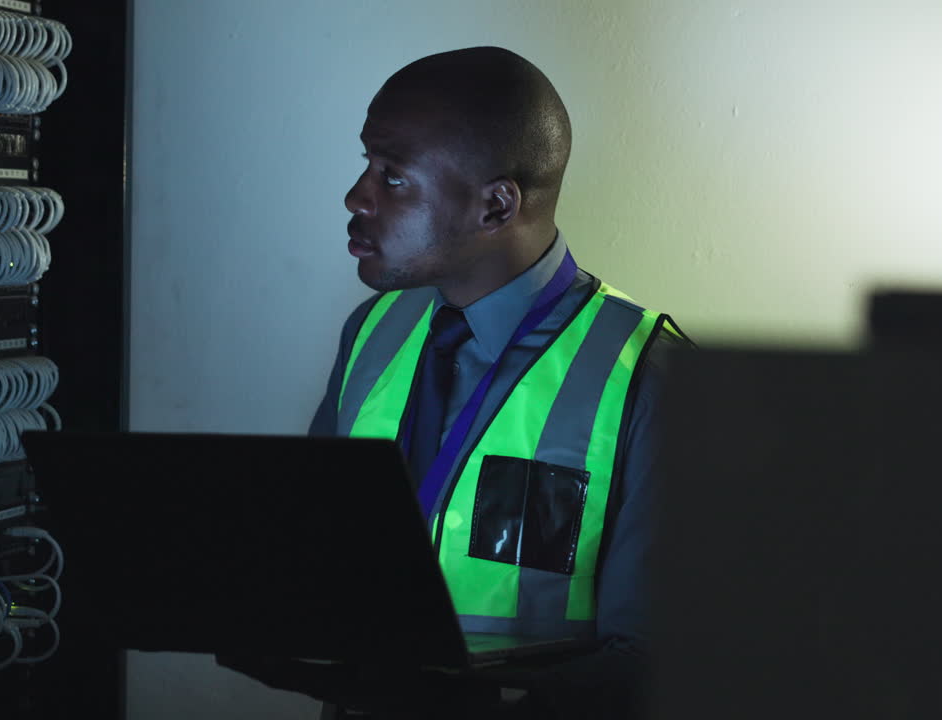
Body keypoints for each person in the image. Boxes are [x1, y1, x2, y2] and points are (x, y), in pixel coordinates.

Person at [221, 46, 692, 719]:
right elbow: (318, 554)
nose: (357, 197)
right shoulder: (374, 330)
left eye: (393, 177)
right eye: (366, 166)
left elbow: (657, 661)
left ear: (497, 206)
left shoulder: (651, 377)